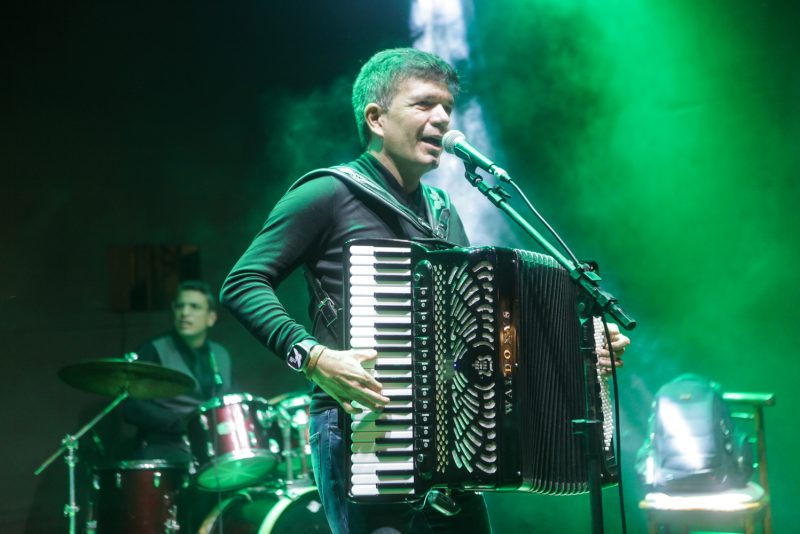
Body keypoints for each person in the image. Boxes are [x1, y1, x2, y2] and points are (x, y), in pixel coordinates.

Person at [220, 48, 630, 534]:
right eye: (424, 104)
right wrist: (312, 357)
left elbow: (485, 332)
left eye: (448, 108)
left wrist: (580, 344)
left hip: (453, 452)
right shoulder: (328, 193)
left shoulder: (441, 211)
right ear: (376, 117)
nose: (442, 119)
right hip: (362, 430)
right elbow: (242, 282)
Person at [122, 279, 232, 462]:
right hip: (166, 447)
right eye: (180, 306)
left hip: (213, 449)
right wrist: (181, 424)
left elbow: (229, 400)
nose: (185, 313)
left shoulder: (221, 354)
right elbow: (132, 407)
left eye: (194, 307)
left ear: (211, 318)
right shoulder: (153, 350)